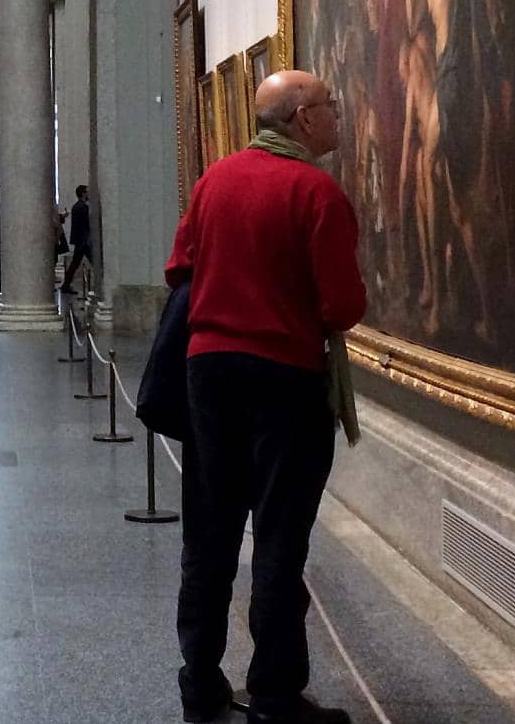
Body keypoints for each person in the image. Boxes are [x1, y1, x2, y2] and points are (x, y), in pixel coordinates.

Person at [166, 70, 366, 724]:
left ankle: (199, 679)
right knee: (280, 535)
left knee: (211, 529)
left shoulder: (214, 180)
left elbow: (180, 268)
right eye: (330, 105)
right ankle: (275, 692)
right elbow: (342, 304)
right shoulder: (315, 190)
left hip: (208, 373)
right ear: (302, 118)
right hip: (285, 376)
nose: (338, 115)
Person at [61, 184, 94, 293]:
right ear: (83, 193)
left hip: (80, 240)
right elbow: (86, 225)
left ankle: (66, 285)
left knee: (75, 263)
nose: (89, 193)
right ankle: (102, 282)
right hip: (83, 241)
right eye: (87, 191)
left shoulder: (77, 206)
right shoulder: (82, 207)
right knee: (94, 262)